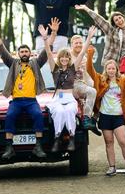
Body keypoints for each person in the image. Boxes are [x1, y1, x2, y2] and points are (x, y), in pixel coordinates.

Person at [0, 20, 49, 161]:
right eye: (21, 51)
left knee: (38, 115)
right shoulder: (13, 63)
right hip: (16, 101)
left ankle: (38, 146)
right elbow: (1, 49)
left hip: (31, 101)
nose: (24, 53)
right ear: (18, 54)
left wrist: (49, 36)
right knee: (9, 116)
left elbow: (47, 51)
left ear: (30, 53)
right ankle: (9, 147)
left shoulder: (35, 63)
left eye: (26, 51)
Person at [40, 22, 95, 150]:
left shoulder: (72, 69)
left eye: (67, 57)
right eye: (62, 57)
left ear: (69, 58)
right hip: (58, 97)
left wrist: (89, 38)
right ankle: (57, 138)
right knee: (59, 111)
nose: (64, 59)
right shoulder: (55, 68)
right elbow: (48, 52)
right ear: (59, 58)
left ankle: (71, 138)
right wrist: (45, 38)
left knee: (70, 111)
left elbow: (82, 54)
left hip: (69, 96)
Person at [74, 3, 125, 73]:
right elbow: (100, 20)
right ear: (114, 23)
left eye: (120, 18)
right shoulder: (113, 32)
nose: (119, 21)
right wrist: (87, 9)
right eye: (116, 20)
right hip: (124, 58)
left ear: (123, 17)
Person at [68, 33, 100, 134]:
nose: (78, 45)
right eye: (76, 43)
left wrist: (90, 89)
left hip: (80, 85)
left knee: (96, 93)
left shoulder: (85, 58)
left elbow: (87, 76)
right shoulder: (67, 56)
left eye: (80, 43)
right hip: (68, 87)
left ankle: (91, 120)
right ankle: (85, 121)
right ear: (71, 45)